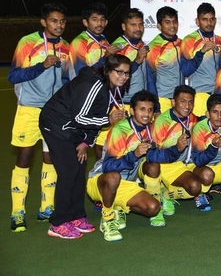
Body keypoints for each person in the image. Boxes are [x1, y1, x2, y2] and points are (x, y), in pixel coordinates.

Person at [39, 54, 131, 239]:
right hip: (56, 125)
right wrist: (108, 119)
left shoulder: (110, 87)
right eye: (119, 72)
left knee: (79, 170)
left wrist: (86, 142)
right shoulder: (93, 84)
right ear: (108, 70)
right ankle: (58, 223)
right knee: (68, 171)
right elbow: (80, 117)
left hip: (74, 129)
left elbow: (95, 115)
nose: (123, 77)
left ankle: (76, 215)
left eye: (127, 73)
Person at [87, 90, 186, 241]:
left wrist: (176, 149)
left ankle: (118, 206)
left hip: (126, 184)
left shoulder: (149, 130)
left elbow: (156, 156)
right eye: (142, 109)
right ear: (132, 110)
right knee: (113, 177)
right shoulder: (120, 130)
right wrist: (134, 154)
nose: (147, 114)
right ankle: (107, 218)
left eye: (150, 110)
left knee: (153, 207)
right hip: (101, 182)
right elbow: (108, 167)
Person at [9, 3, 69, 232]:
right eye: (54, 20)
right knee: (24, 158)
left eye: (62, 21)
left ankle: (47, 207)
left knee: (50, 158)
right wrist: (41, 66)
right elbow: (14, 76)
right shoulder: (28, 42)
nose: (59, 25)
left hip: (54, 112)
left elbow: (66, 80)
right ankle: (18, 212)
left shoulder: (66, 47)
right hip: (30, 108)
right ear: (43, 22)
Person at [94, 8, 149, 160]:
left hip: (137, 103)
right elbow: (116, 75)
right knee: (104, 141)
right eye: (133, 25)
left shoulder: (142, 45)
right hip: (118, 102)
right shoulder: (118, 47)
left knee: (132, 142)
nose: (138, 28)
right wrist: (137, 61)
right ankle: (101, 168)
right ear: (124, 26)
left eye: (140, 24)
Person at [151, 85, 201, 217]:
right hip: (167, 165)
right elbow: (153, 153)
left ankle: (167, 193)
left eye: (190, 102)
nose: (187, 106)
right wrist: (176, 149)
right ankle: (164, 192)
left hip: (187, 163)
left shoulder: (192, 118)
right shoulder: (162, 122)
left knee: (206, 178)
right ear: (173, 102)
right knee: (194, 187)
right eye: (183, 101)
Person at [181, 2, 221, 116]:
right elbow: (185, 71)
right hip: (200, 95)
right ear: (197, 21)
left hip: (219, 96)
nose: (209, 23)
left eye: (211, 19)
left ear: (215, 20)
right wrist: (201, 53)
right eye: (204, 19)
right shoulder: (189, 41)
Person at [146, 6, 184, 114]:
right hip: (163, 100)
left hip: (181, 100)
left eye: (174, 22)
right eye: (167, 22)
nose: (172, 26)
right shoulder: (154, 47)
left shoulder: (183, 43)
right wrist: (156, 107)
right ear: (159, 26)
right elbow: (150, 79)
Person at [68, 3, 119, 79]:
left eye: (102, 19)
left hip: (100, 85)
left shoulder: (104, 41)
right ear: (85, 22)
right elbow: (82, 73)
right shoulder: (79, 42)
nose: (99, 23)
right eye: (94, 19)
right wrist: (105, 58)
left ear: (106, 22)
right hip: (84, 86)